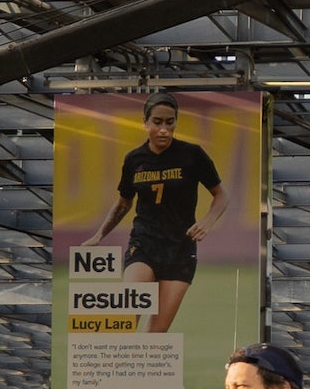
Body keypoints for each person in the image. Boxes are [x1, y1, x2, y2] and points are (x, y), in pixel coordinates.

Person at [84, 91, 229, 335]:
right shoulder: (134, 159)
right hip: (144, 243)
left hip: (180, 249)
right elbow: (123, 203)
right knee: (126, 319)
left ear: (175, 122)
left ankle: (139, 372)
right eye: (157, 122)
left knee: (155, 336)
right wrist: (99, 235)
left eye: (169, 122)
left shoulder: (192, 155)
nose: (163, 129)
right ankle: (115, 368)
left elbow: (222, 195)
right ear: (145, 122)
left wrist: (208, 220)